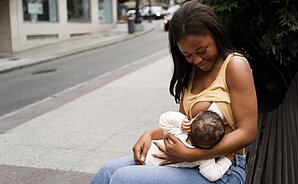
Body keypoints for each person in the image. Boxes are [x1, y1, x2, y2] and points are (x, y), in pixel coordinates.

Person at [91, 1, 257, 183]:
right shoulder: (192, 73)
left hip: (222, 168)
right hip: (187, 160)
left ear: (215, 35)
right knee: (108, 172)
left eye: (201, 50)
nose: (197, 60)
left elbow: (247, 132)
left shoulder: (234, 66)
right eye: (187, 55)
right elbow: (184, 127)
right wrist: (150, 135)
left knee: (124, 178)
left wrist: (194, 154)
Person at [145, 103, 232, 182]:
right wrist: (228, 159)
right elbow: (213, 175)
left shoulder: (180, 133)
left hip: (146, 152)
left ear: (190, 126)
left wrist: (181, 121)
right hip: (155, 168)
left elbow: (164, 119)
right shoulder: (204, 158)